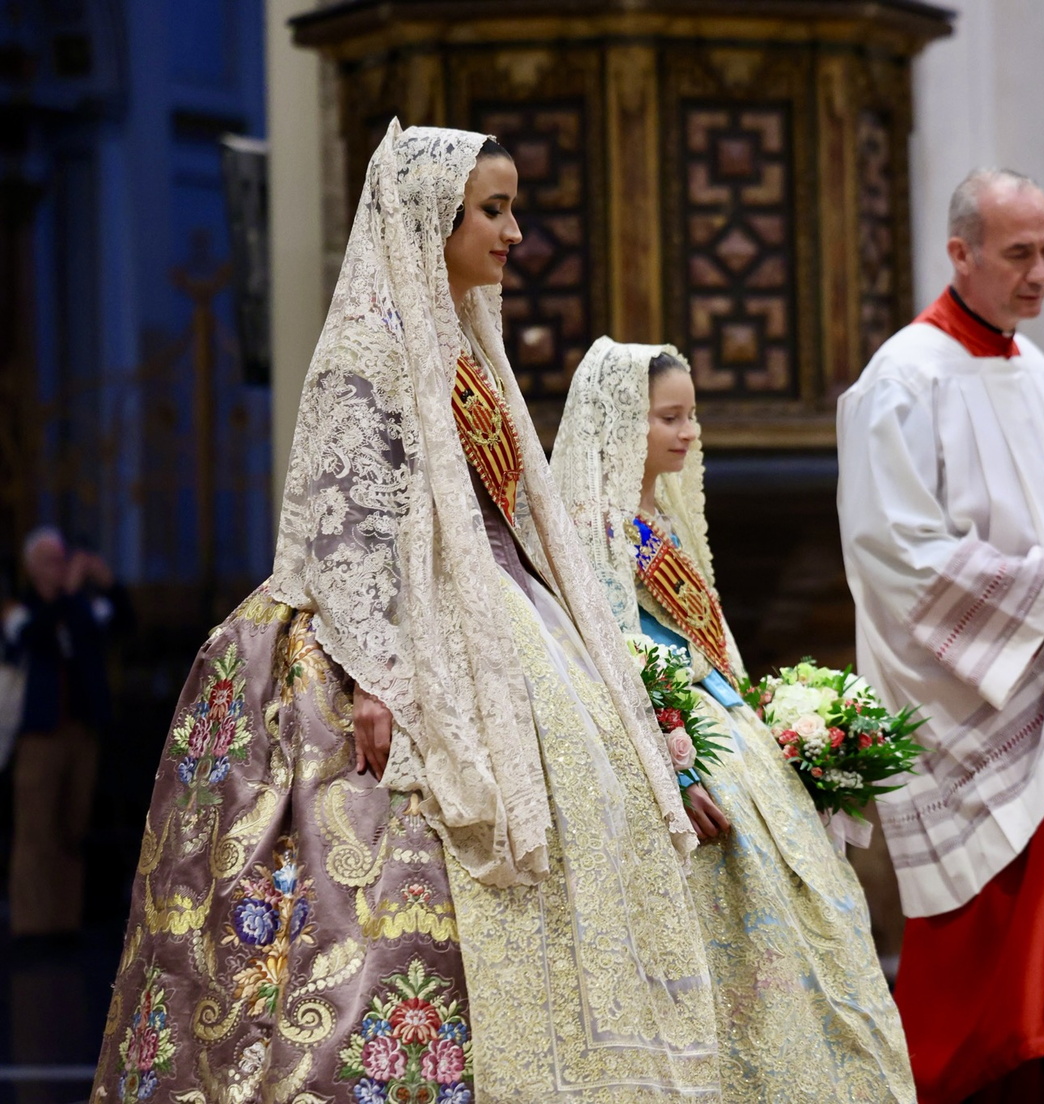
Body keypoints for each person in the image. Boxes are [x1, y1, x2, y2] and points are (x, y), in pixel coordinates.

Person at [90, 122, 718, 1103]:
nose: (515, 233)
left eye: (513, 209)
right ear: (433, 219)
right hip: (381, 636)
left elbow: (511, 513)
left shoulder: (468, 350)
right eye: (494, 211)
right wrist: (376, 676)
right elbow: (344, 523)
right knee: (376, 880)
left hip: (498, 611)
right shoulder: (369, 352)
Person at [836, 168, 1044, 1104]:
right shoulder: (903, 378)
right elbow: (894, 550)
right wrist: (1042, 596)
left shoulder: (1033, 371)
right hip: (972, 693)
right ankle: (984, 1081)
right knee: (993, 916)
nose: (1040, 273)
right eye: (1019, 254)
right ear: (960, 253)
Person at [550, 337, 917, 1103]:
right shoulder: (595, 527)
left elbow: (706, 645)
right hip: (673, 742)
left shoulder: (662, 519)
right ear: (622, 423)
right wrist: (673, 762)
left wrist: (784, 726)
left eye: (692, 416)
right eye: (669, 418)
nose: (688, 433)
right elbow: (610, 650)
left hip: (723, 722)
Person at [2, 527, 127, 937]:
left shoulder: (80, 605)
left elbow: (122, 622)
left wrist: (106, 581)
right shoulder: (18, 608)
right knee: (35, 829)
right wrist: (68, 594)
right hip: (38, 731)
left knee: (73, 826)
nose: (60, 567)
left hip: (81, 729)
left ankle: (64, 920)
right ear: (32, 567)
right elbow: (34, 636)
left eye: (62, 559)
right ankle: (32, 923)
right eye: (51, 561)